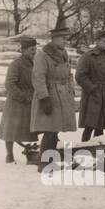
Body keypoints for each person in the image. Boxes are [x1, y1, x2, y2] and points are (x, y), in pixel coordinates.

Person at [31, 18, 77, 172]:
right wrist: (44, 98)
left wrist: (71, 88)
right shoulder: (42, 55)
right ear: (54, 39)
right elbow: (38, 78)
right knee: (50, 130)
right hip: (50, 96)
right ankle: (44, 164)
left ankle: (50, 161)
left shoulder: (63, 53)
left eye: (66, 38)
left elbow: (69, 73)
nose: (66, 41)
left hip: (62, 96)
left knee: (55, 130)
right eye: (63, 38)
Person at [0, 35, 37, 163]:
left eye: (35, 50)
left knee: (27, 129)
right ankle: (9, 155)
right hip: (16, 102)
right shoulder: (16, 64)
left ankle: (34, 150)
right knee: (11, 130)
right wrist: (23, 96)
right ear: (23, 50)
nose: (34, 52)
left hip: (30, 100)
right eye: (32, 50)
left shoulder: (34, 63)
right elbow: (9, 84)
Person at [75, 30, 105, 141]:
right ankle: (83, 147)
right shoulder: (88, 56)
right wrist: (93, 89)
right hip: (93, 95)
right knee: (90, 124)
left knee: (102, 124)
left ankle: (98, 147)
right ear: (97, 41)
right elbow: (80, 76)